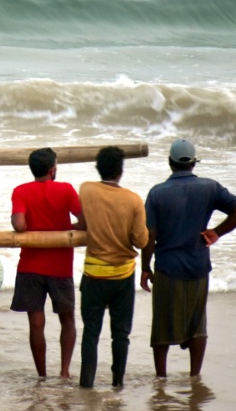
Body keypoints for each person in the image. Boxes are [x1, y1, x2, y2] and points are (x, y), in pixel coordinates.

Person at [141, 139, 236, 378]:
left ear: (170, 163)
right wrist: (217, 232)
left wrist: (145, 267)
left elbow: (150, 235)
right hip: (198, 265)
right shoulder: (210, 188)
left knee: (162, 325)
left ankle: (161, 377)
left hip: (167, 267)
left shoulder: (157, 193)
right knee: (197, 324)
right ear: (193, 163)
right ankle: (194, 375)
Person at [77, 146, 148, 388]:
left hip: (94, 274)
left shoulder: (86, 189)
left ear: (98, 168)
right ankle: (118, 383)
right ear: (121, 171)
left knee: (91, 332)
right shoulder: (133, 200)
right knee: (120, 334)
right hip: (123, 276)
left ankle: (86, 383)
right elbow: (141, 240)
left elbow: (84, 221)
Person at [9, 148, 84, 379]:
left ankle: (41, 374)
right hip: (60, 265)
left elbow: (19, 226)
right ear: (53, 169)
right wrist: (67, 230)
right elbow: (85, 220)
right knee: (68, 319)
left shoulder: (21, 191)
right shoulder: (65, 189)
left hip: (30, 265)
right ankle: (64, 372)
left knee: (36, 324)